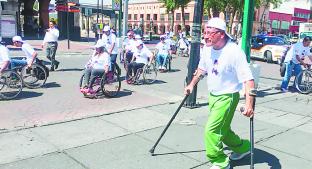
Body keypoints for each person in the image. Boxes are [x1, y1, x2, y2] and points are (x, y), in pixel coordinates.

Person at [184, 17, 255, 169]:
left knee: (212, 130)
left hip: (228, 97)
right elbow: (202, 69)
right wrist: (191, 84)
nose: (205, 35)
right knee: (224, 129)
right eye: (205, 32)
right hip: (213, 95)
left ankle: (220, 161)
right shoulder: (207, 48)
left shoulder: (234, 52)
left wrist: (249, 104)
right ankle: (243, 148)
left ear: (221, 34)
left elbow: (248, 80)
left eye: (209, 33)